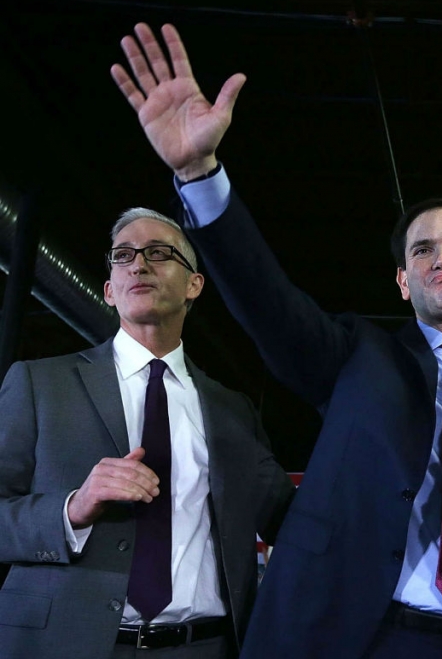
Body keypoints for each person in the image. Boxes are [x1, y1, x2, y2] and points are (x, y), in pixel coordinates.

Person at [111, 22, 442, 658]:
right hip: (378, 636)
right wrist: (199, 171)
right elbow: (267, 301)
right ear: (401, 280)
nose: (440, 258)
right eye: (421, 250)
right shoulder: (360, 357)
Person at [0, 208, 295, 659]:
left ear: (194, 285)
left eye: (159, 253)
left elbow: (291, 522)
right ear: (109, 291)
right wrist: (71, 510)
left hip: (204, 647)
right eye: (123, 256)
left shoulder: (232, 410)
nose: (138, 264)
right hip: (63, 644)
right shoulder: (38, 384)